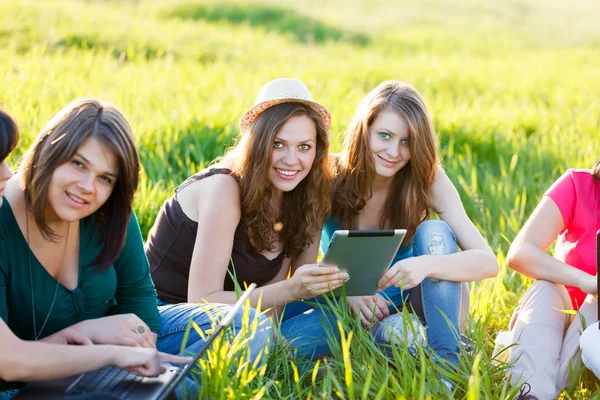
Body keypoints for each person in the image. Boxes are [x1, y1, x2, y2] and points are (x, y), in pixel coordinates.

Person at [146, 78, 348, 358]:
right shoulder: (223, 188)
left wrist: (279, 326)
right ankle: (259, 354)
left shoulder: (307, 195)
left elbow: (276, 297)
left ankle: (267, 354)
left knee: (342, 314)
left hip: (239, 317)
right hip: (164, 317)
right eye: (278, 144)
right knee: (253, 326)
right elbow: (202, 300)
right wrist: (288, 293)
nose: (292, 160)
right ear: (257, 143)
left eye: (304, 147)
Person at [0, 108, 189, 397]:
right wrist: (110, 352)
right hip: (27, 379)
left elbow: (138, 292)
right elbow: (9, 364)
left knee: (246, 326)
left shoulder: (109, 212)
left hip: (111, 353)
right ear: (48, 152)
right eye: (78, 164)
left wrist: (141, 355)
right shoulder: (4, 218)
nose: (88, 187)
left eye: (105, 178)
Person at [317, 81, 498, 370]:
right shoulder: (328, 176)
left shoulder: (427, 179)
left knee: (434, 231)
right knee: (296, 343)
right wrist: (347, 288)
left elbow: (488, 262)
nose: (394, 152)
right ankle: (431, 347)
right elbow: (301, 261)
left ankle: (446, 365)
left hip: (428, 300)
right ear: (364, 131)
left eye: (407, 142)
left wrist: (425, 265)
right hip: (367, 309)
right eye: (384, 136)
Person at [505, 164, 600, 400]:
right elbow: (520, 252)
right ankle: (532, 392)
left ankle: (535, 387)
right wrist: (585, 281)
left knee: (596, 301)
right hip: (556, 312)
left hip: (595, 325)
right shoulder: (578, 185)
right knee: (545, 288)